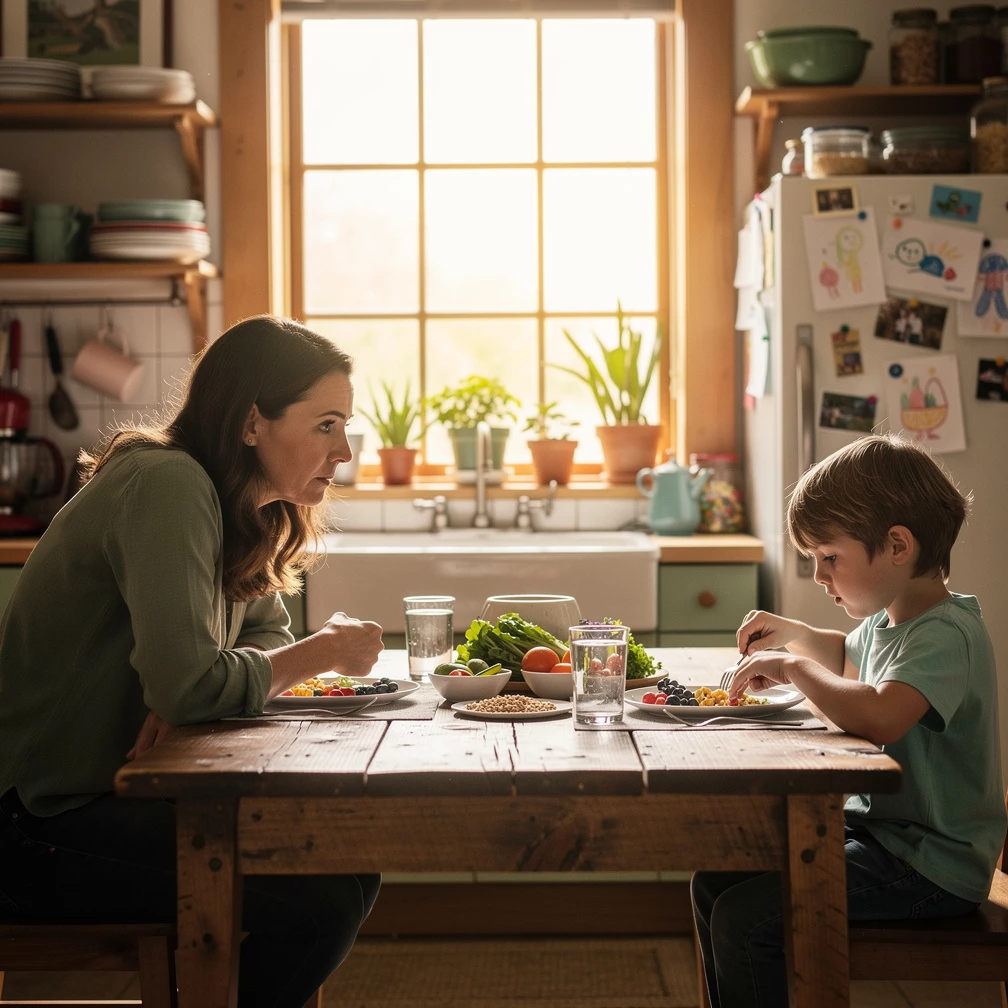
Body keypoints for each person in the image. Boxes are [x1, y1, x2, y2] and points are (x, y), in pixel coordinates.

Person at [0, 315, 384, 1008]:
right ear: (251, 423)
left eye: (344, 426)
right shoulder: (168, 485)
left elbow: (258, 644)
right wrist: (322, 651)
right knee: (321, 904)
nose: (345, 450)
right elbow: (197, 685)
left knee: (350, 864)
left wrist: (195, 690)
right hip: (34, 822)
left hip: (107, 794)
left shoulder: (244, 507)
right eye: (325, 425)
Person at [691, 433, 1004, 1008]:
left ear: (898, 545)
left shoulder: (946, 634)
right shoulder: (894, 621)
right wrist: (793, 634)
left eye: (829, 557)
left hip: (930, 863)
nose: (818, 575)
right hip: (884, 839)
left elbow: (881, 715)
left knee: (746, 920)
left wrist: (791, 666)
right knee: (714, 883)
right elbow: (846, 657)